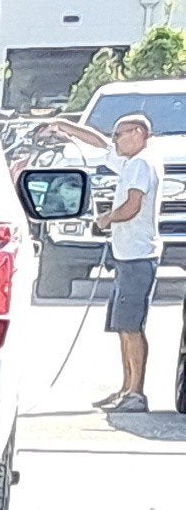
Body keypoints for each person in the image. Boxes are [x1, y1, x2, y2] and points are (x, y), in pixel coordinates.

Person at [98, 112, 164, 410]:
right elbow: (99, 144)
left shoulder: (141, 163)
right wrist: (66, 129)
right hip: (126, 255)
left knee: (132, 326)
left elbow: (133, 206)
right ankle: (125, 387)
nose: (116, 140)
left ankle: (136, 391)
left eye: (120, 134)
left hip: (139, 255)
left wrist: (108, 218)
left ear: (138, 133)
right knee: (122, 326)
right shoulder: (129, 163)